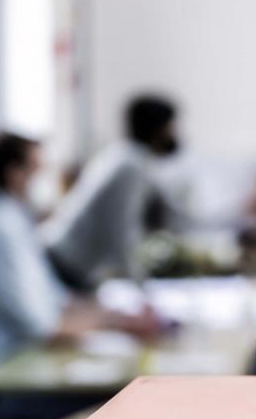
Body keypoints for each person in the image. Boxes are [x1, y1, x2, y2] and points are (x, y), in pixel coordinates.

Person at [0, 133, 159, 419]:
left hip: (15, 367)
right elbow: (43, 325)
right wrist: (117, 324)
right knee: (113, 404)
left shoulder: (16, 221)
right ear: (14, 173)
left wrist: (118, 317)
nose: (43, 176)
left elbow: (58, 300)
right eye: (35, 167)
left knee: (118, 396)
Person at [42, 95, 183, 289]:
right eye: (170, 127)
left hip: (63, 259)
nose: (174, 134)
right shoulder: (131, 167)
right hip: (65, 264)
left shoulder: (123, 156)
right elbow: (121, 232)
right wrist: (141, 286)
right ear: (157, 128)